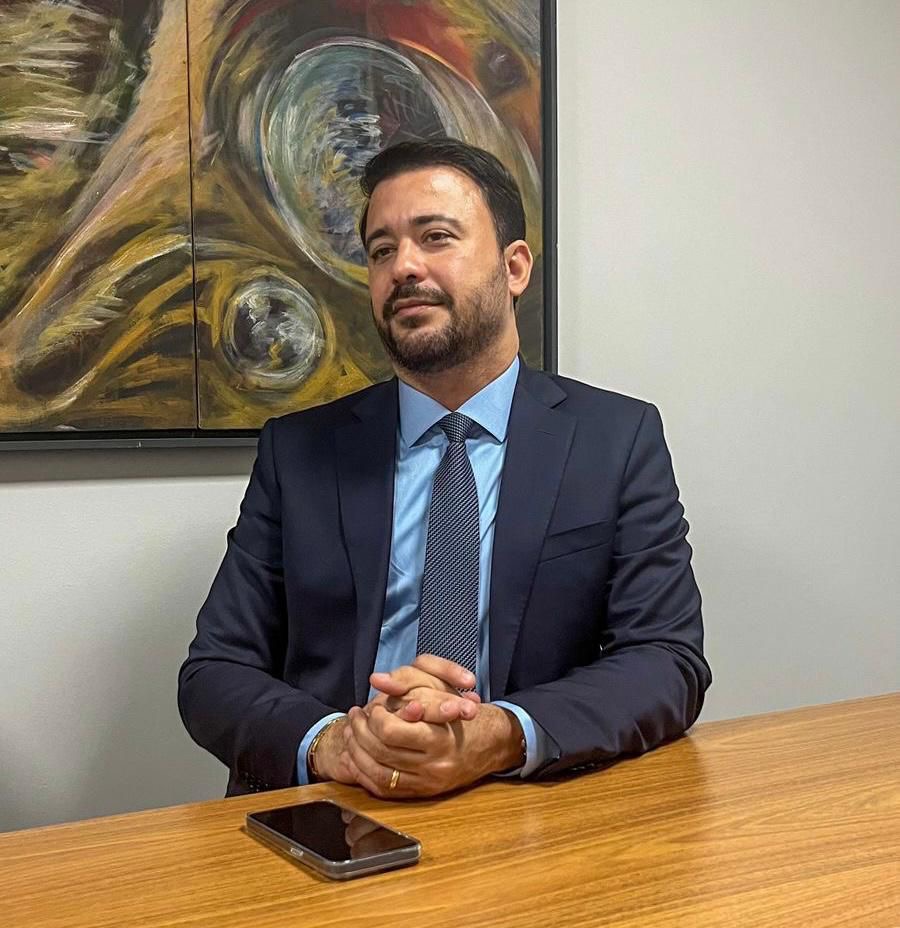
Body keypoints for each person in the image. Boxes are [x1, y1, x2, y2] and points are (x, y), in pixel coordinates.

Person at [178, 138, 711, 800]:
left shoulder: (616, 440)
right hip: (336, 806)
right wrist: (334, 743)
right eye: (381, 250)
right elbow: (214, 671)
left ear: (514, 268)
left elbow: (666, 658)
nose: (403, 266)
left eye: (435, 237)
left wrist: (499, 734)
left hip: (528, 806)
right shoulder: (299, 452)